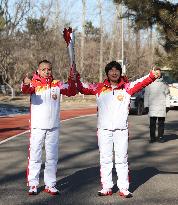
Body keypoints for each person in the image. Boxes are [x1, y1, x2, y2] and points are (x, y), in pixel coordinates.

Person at [76, 61, 161, 198]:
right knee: (105, 159)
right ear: (107, 73)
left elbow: (143, 81)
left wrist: (152, 75)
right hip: (104, 130)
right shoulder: (99, 88)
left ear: (120, 73)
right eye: (111, 70)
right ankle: (106, 187)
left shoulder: (127, 87)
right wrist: (76, 77)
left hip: (121, 130)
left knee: (122, 159)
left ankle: (123, 188)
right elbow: (82, 88)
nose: (114, 73)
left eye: (117, 70)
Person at [21, 60, 76, 195]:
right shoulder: (34, 84)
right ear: (38, 71)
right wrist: (26, 82)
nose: (47, 71)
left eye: (49, 69)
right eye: (43, 69)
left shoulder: (57, 84)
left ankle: (50, 184)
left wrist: (73, 79)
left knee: (52, 157)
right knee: (35, 156)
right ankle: (33, 184)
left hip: (53, 127)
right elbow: (25, 89)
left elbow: (71, 91)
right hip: (37, 127)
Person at [144, 68, 170, 143]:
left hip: (162, 106)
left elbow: (167, 95)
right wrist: (146, 106)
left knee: (161, 124)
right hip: (152, 106)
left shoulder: (164, 84)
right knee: (152, 124)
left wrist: (167, 105)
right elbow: (146, 95)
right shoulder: (149, 84)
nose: (158, 74)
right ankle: (152, 138)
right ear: (153, 74)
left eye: (159, 73)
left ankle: (160, 137)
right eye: (156, 73)